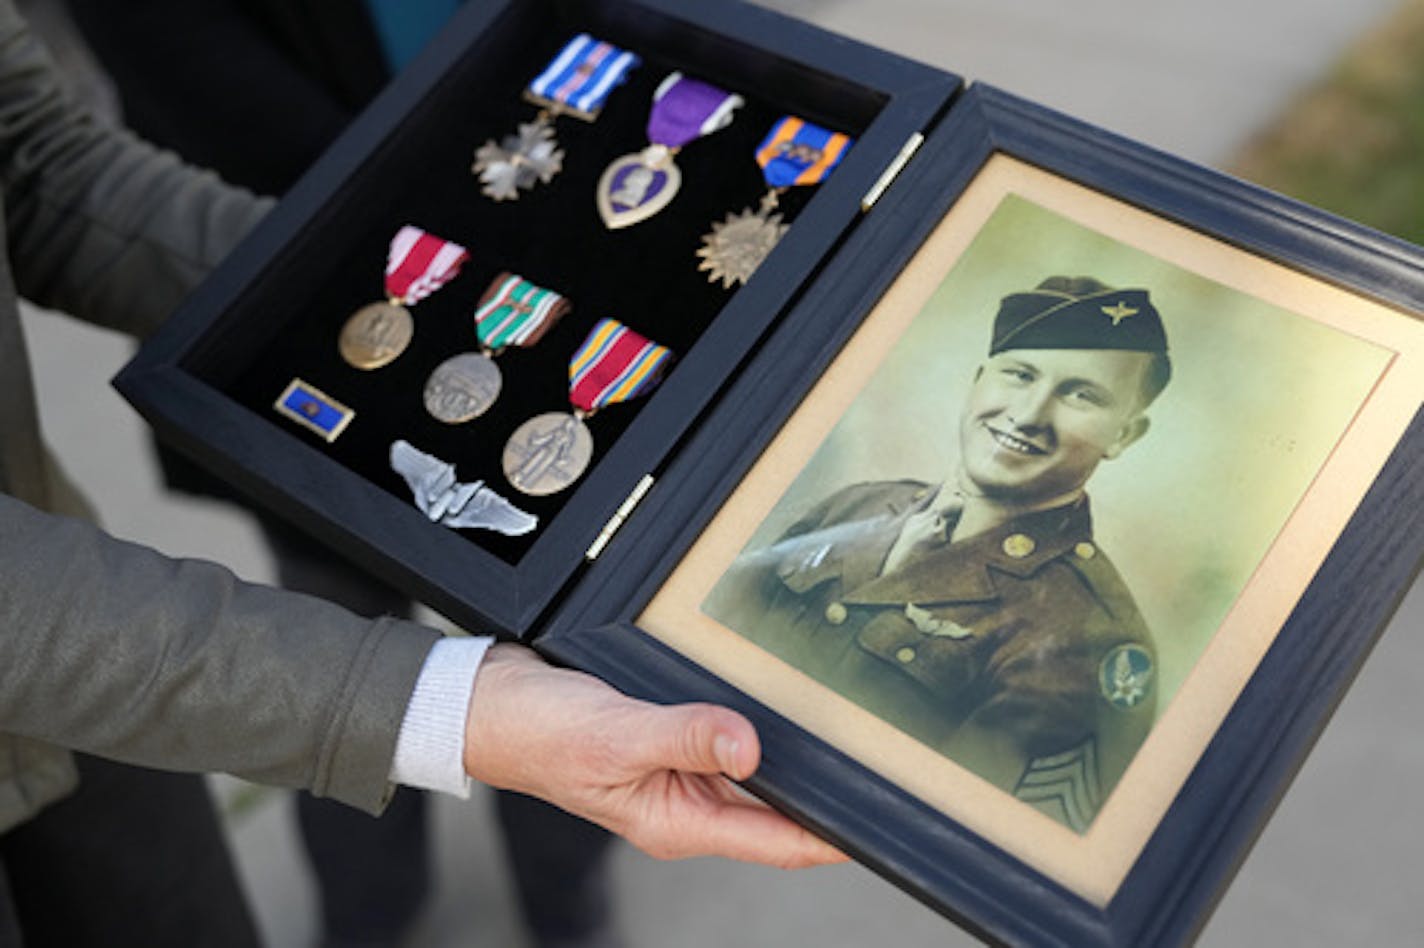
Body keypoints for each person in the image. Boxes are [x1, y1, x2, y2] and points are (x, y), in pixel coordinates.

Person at [0, 4, 842, 945]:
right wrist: (444, 707)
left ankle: (561, 907)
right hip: (150, 565)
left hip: (89, 684)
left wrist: (391, 287)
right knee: (344, 667)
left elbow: (37, 166)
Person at [58, 3, 620, 945]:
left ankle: (567, 902)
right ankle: (370, 918)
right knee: (338, 647)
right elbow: (198, 100)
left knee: (553, 651)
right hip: (316, 336)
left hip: (535, 284)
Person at [706, 276, 1171, 833]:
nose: (1028, 415)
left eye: (1081, 395)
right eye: (1019, 375)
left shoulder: (1087, 637)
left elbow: (955, 837)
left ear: (1125, 435)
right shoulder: (857, 507)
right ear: (978, 382)